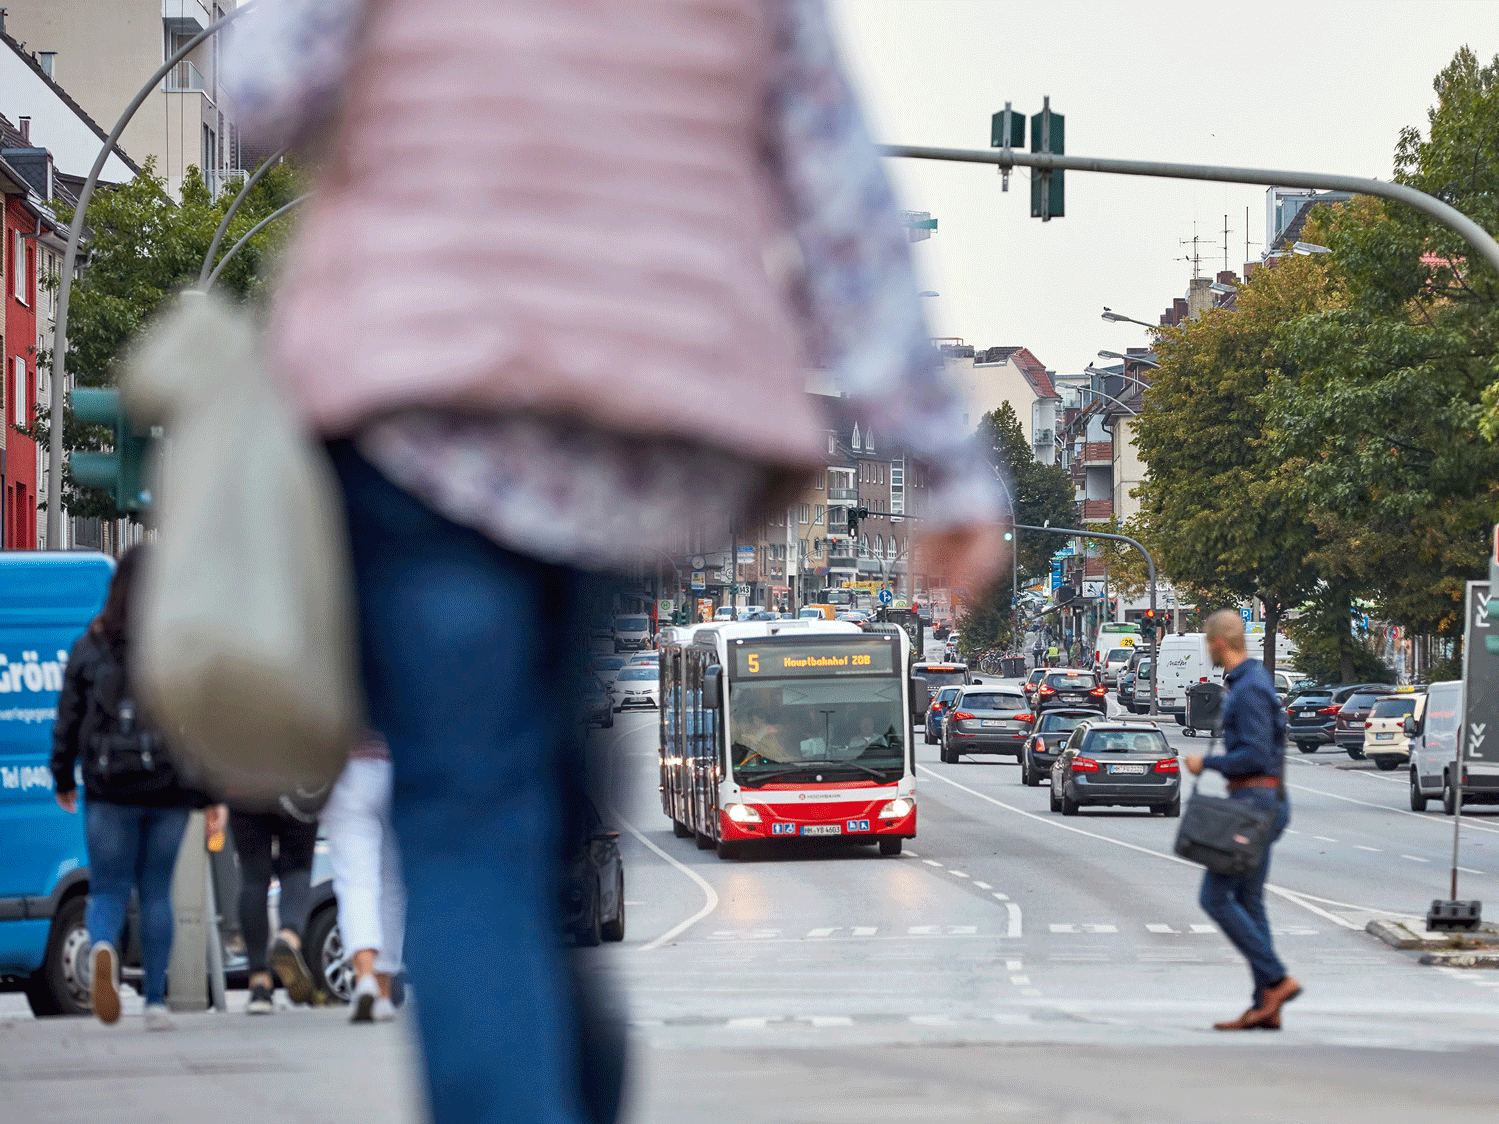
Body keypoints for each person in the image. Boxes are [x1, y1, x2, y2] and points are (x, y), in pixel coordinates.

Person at [230, 2, 1003, 1120]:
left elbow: (260, 94)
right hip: (629, 438)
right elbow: (844, 203)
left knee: (467, 815)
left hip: (416, 410)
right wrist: (948, 465)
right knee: (537, 812)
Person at [49, 545, 220, 1031]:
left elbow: (68, 719)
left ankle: (103, 946)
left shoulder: (91, 644)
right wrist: (208, 793)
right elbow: (200, 720)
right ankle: (155, 1003)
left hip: (108, 788)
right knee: (157, 893)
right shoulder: (180, 642)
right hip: (166, 785)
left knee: (107, 889)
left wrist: (62, 776)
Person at [1181, 611, 1303, 1031]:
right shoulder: (1255, 683)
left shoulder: (1249, 690)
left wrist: (1206, 762)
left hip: (1254, 803)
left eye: (1206, 643)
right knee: (1249, 902)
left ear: (1217, 643)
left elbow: (1254, 754)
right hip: (1263, 802)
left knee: (1214, 898)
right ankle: (1265, 1005)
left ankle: (1276, 978)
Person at [322, 733, 405, 1023]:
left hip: (347, 767)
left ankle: (365, 976)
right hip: (397, 762)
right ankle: (383, 994)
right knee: (393, 886)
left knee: (356, 881)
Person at [231, 790, 320, 1013]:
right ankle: (288, 937)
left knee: (253, 879)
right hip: (298, 781)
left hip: (244, 782)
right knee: (297, 868)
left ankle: (259, 985)